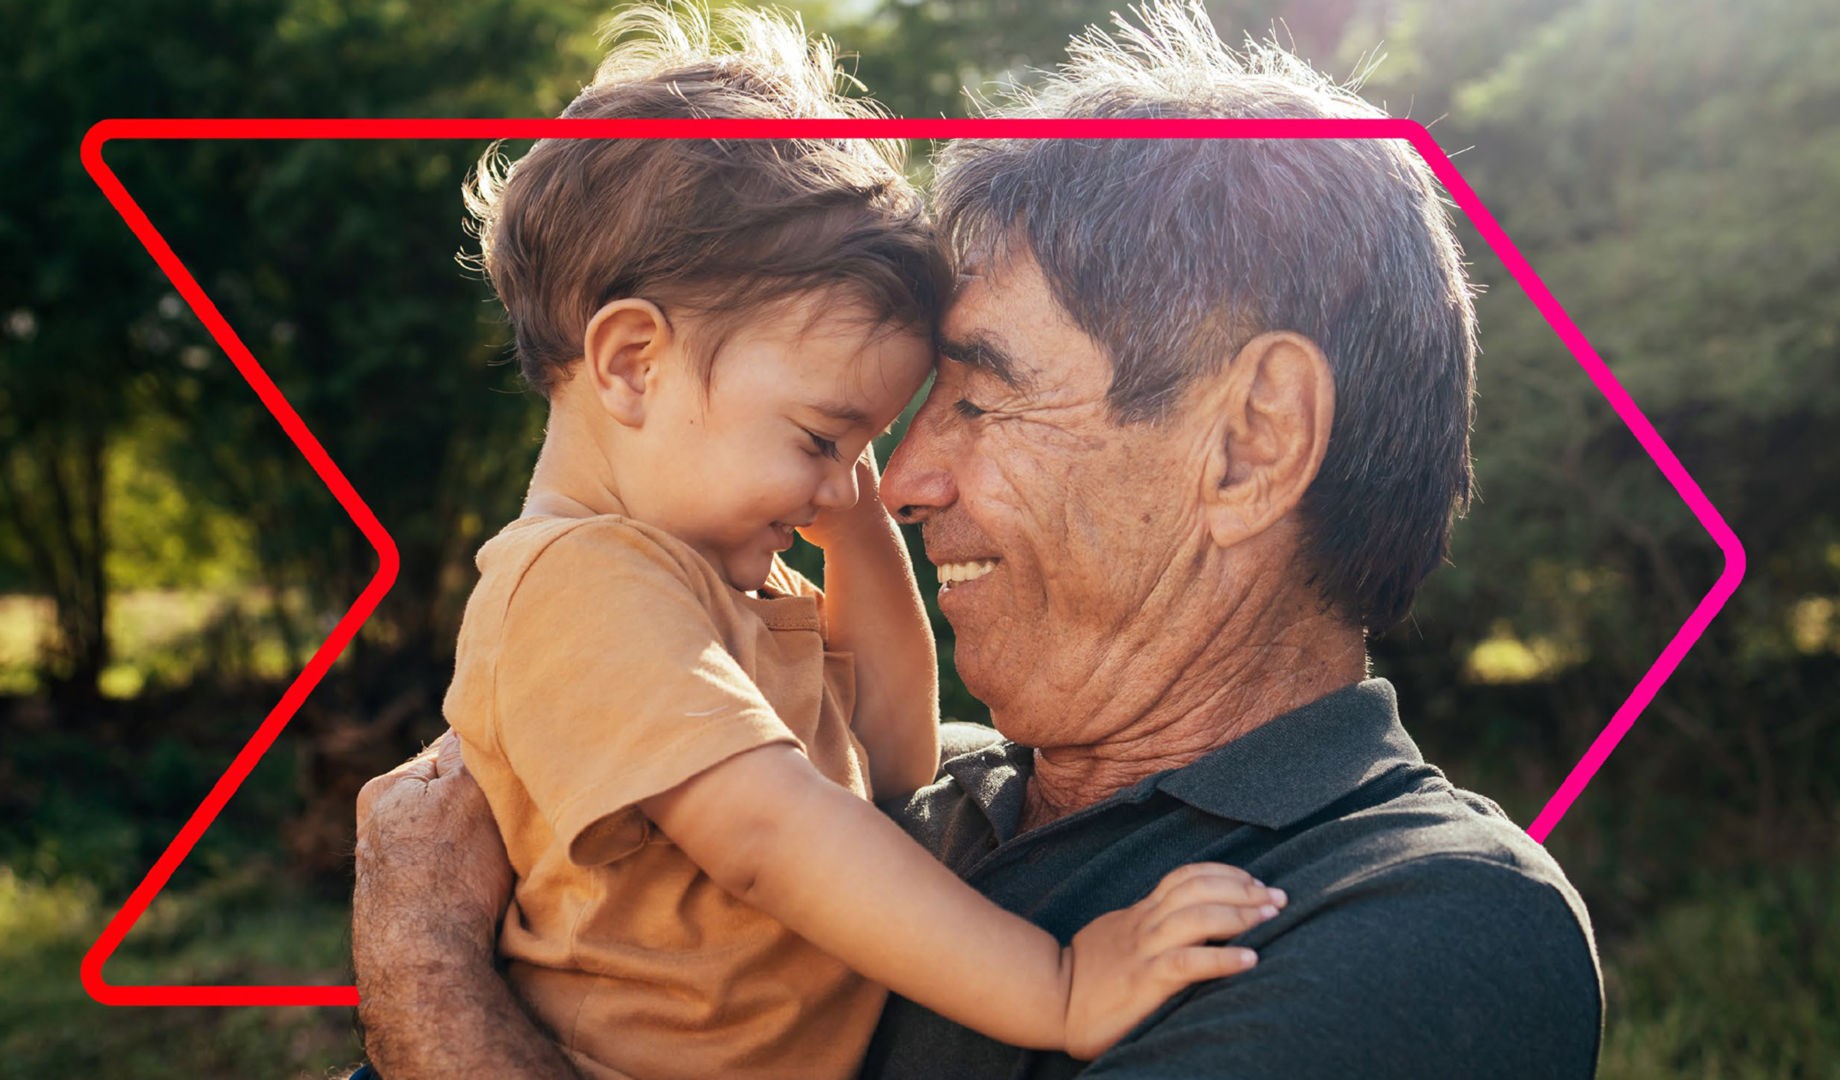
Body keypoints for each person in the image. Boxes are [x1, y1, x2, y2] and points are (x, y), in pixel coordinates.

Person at [352, 2, 1605, 1077]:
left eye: (983, 393)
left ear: (1251, 442)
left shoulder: (1421, 918)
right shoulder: (914, 794)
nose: (895, 482)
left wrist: (423, 970)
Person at [409, 7, 1288, 1080]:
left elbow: (895, 761)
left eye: (862, 450)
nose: (852, 482)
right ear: (635, 364)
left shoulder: (720, 585)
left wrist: (861, 538)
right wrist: (1056, 988)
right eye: (826, 438)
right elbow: (775, 836)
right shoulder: (579, 586)